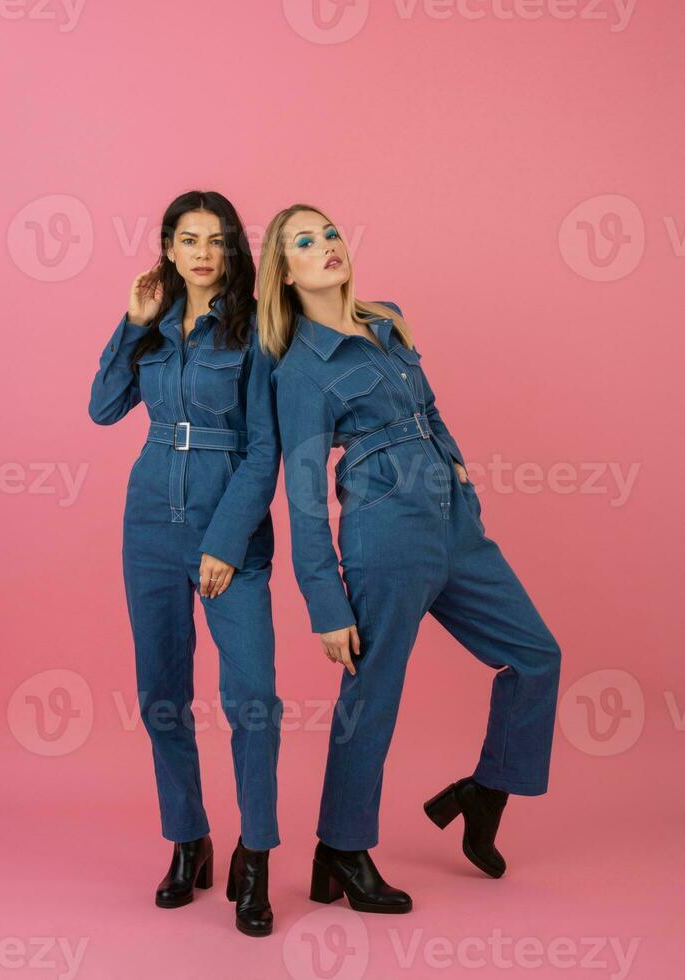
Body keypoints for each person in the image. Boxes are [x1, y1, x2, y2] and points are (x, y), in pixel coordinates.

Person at [259, 203, 562, 913]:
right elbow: (302, 496)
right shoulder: (300, 370)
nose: (326, 246)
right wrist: (325, 604)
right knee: (373, 697)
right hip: (383, 537)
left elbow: (430, 408)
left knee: (537, 654)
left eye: (330, 232)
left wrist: (465, 484)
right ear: (285, 269)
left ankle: (483, 792)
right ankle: (341, 847)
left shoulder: (387, 320)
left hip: (453, 529)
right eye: (305, 241)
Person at [89, 191, 281, 937]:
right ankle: (187, 839)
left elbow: (265, 449)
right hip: (149, 528)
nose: (203, 252)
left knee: (253, 698)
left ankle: (256, 854)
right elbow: (104, 409)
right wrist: (131, 322)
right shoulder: (157, 327)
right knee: (161, 694)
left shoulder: (258, 331)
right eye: (187, 239)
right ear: (168, 248)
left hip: (228, 533)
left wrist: (225, 544)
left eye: (216, 239)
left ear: (232, 249)